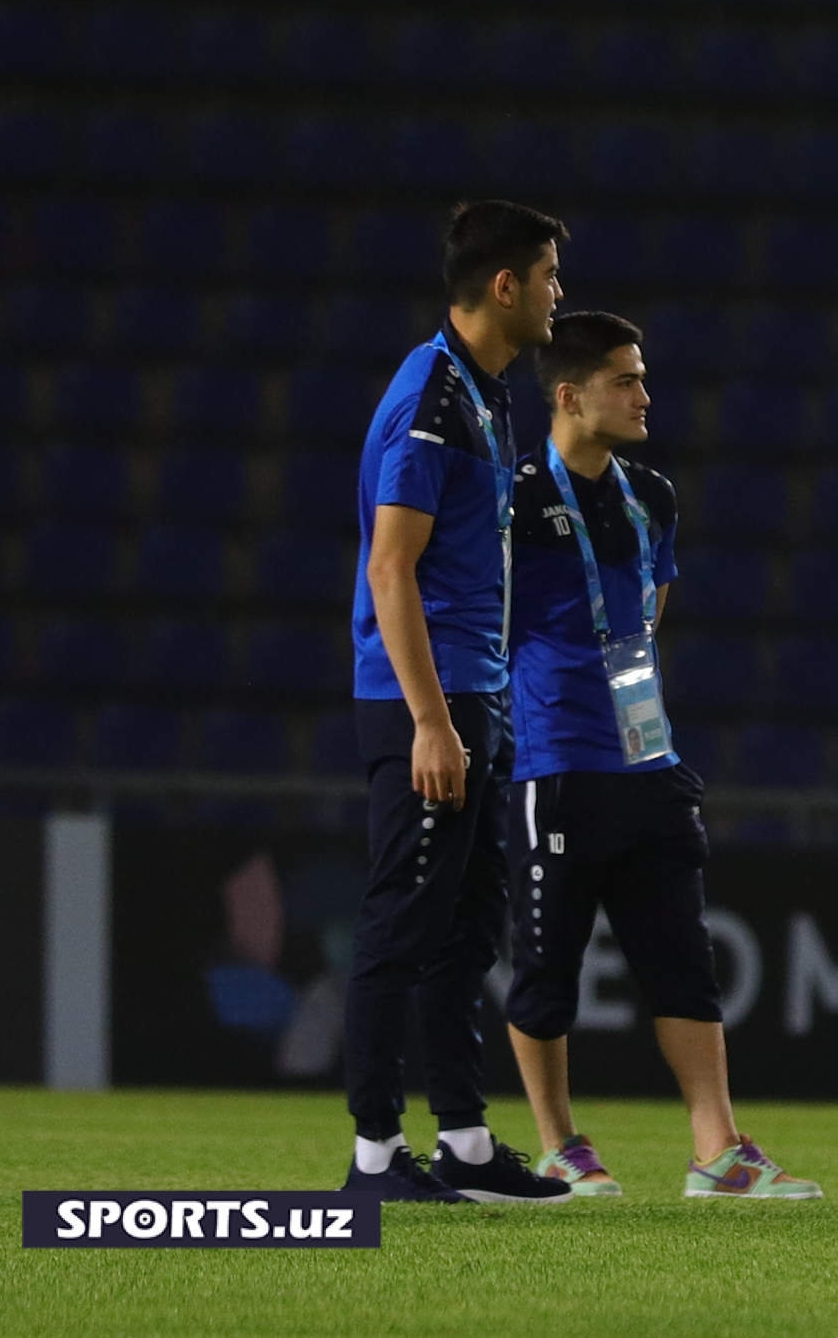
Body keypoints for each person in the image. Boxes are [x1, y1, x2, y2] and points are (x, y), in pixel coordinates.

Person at [503, 311, 821, 1201]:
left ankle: (716, 1149)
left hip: (649, 762)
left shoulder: (653, 494)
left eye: (643, 379)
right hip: (556, 763)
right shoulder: (514, 496)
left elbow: (650, 613)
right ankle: (561, 1145)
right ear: (570, 395)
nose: (647, 396)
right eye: (626, 381)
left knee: (683, 958)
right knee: (547, 966)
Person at [342, 200, 575, 1204]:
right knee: (403, 923)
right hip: (424, 705)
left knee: (469, 926)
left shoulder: (485, 392)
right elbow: (392, 570)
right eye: (551, 276)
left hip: (475, 697)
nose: (560, 294)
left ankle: (466, 1144)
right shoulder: (434, 400)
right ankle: (371, 1158)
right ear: (504, 286)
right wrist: (431, 720)